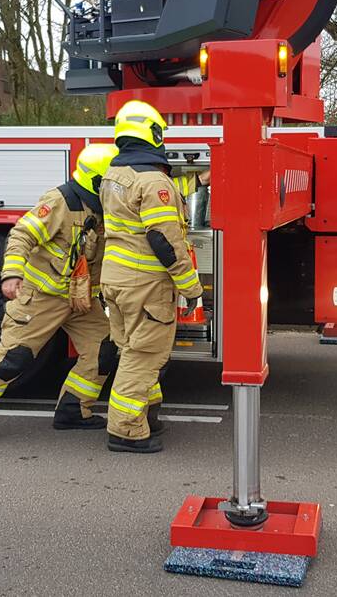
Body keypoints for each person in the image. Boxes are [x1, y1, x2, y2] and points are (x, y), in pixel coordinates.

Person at [0, 143, 121, 448]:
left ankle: (73, 410)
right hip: (41, 299)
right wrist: (11, 273)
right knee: (12, 359)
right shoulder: (59, 202)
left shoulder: (101, 206)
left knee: (104, 349)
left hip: (80, 299)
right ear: (97, 182)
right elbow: (22, 234)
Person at [99, 100, 204, 453]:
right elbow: (163, 239)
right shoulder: (153, 180)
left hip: (116, 282)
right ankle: (126, 430)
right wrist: (190, 286)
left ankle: (148, 415)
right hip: (144, 285)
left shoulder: (115, 176)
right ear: (153, 133)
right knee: (143, 356)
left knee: (132, 350)